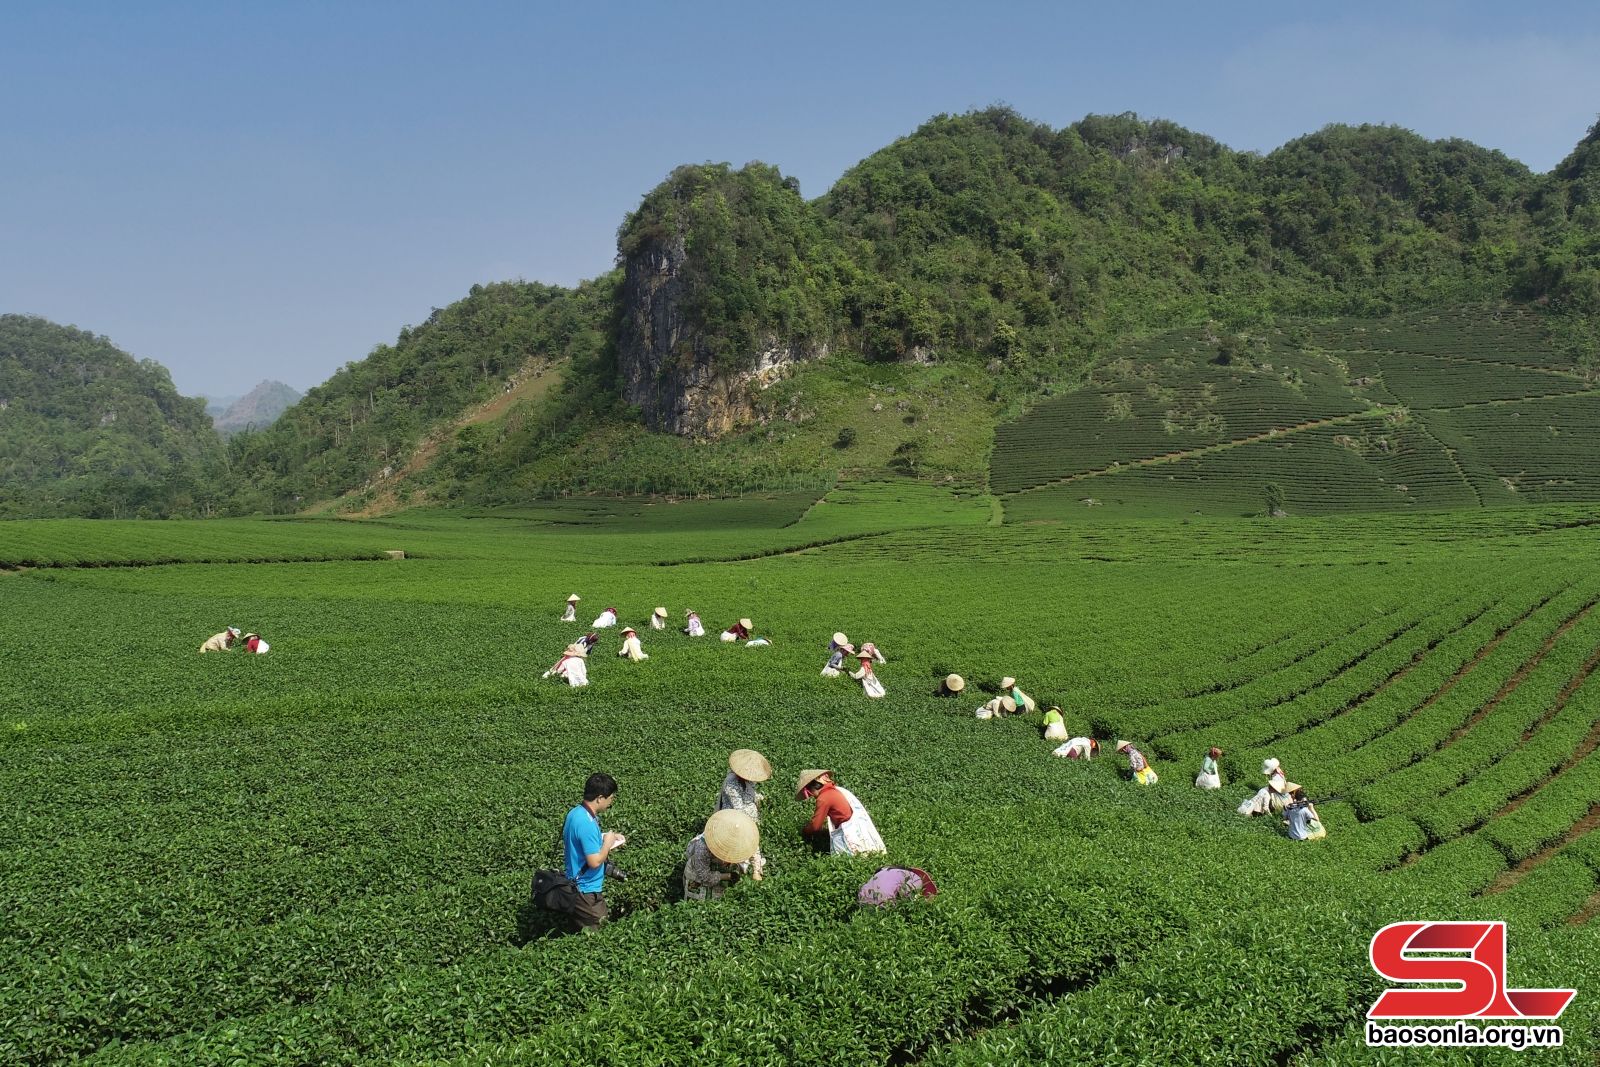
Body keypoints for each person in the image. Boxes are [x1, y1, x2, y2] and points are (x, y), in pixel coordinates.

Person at [562, 772, 625, 932]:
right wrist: (608, 843)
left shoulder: (576, 813)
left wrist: (605, 837)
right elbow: (595, 861)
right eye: (610, 798)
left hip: (576, 888)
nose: (611, 802)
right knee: (600, 935)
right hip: (586, 893)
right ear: (599, 798)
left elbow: (582, 840)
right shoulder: (587, 823)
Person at [796, 769, 886, 856]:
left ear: (812, 789)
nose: (812, 796)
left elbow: (815, 826)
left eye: (809, 793)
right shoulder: (836, 790)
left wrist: (804, 831)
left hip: (848, 834)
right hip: (857, 828)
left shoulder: (823, 798)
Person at [683, 810, 761, 901]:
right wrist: (728, 876)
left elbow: (754, 849)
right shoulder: (703, 846)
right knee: (704, 899)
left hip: (719, 867)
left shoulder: (744, 835)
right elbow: (704, 876)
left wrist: (756, 871)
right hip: (698, 871)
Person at [717, 748, 772, 876]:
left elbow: (749, 795)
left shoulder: (748, 781)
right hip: (733, 819)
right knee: (736, 844)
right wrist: (749, 816)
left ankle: (755, 869)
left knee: (751, 844)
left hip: (747, 818)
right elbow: (738, 807)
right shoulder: (731, 783)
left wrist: (757, 798)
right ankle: (738, 868)